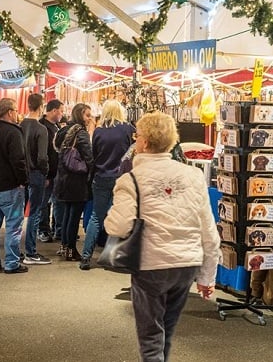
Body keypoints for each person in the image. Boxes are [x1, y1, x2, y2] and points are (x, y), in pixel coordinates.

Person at [104, 112, 220, 362]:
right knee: (165, 332)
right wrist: (207, 275)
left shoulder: (131, 179)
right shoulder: (194, 176)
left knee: (150, 338)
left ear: (144, 142)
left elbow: (118, 226)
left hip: (151, 264)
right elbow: (209, 231)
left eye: (137, 136)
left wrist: (108, 219)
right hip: (186, 264)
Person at [80, 100, 134, 270]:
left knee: (96, 217)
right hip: (122, 178)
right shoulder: (128, 129)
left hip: (101, 177)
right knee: (122, 219)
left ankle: (86, 257)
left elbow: (93, 155)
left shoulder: (98, 132)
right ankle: (117, 257)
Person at [0, 98, 29, 274]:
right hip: (10, 186)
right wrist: (23, 181)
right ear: (10, 112)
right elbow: (18, 160)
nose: (17, 114)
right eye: (16, 110)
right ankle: (11, 262)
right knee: (13, 226)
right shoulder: (13, 132)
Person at [53, 103, 94, 261]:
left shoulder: (63, 130)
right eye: (87, 115)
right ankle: (71, 249)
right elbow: (89, 157)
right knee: (74, 216)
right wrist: (92, 173)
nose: (89, 118)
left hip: (63, 177)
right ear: (79, 115)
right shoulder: (81, 133)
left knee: (66, 215)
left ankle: (64, 246)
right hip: (77, 179)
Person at [20, 93, 51, 265]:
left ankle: (16, 251)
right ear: (41, 106)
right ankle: (31, 251)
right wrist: (45, 172)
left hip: (21, 173)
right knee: (35, 212)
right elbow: (42, 157)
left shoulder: (20, 125)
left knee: (18, 213)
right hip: (36, 174)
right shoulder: (41, 129)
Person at [38, 99, 64, 242]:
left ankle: (57, 229)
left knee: (57, 202)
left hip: (57, 172)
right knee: (44, 203)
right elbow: (43, 153)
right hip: (47, 173)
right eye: (61, 110)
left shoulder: (56, 126)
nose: (62, 113)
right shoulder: (42, 126)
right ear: (54, 110)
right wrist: (46, 173)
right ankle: (43, 230)